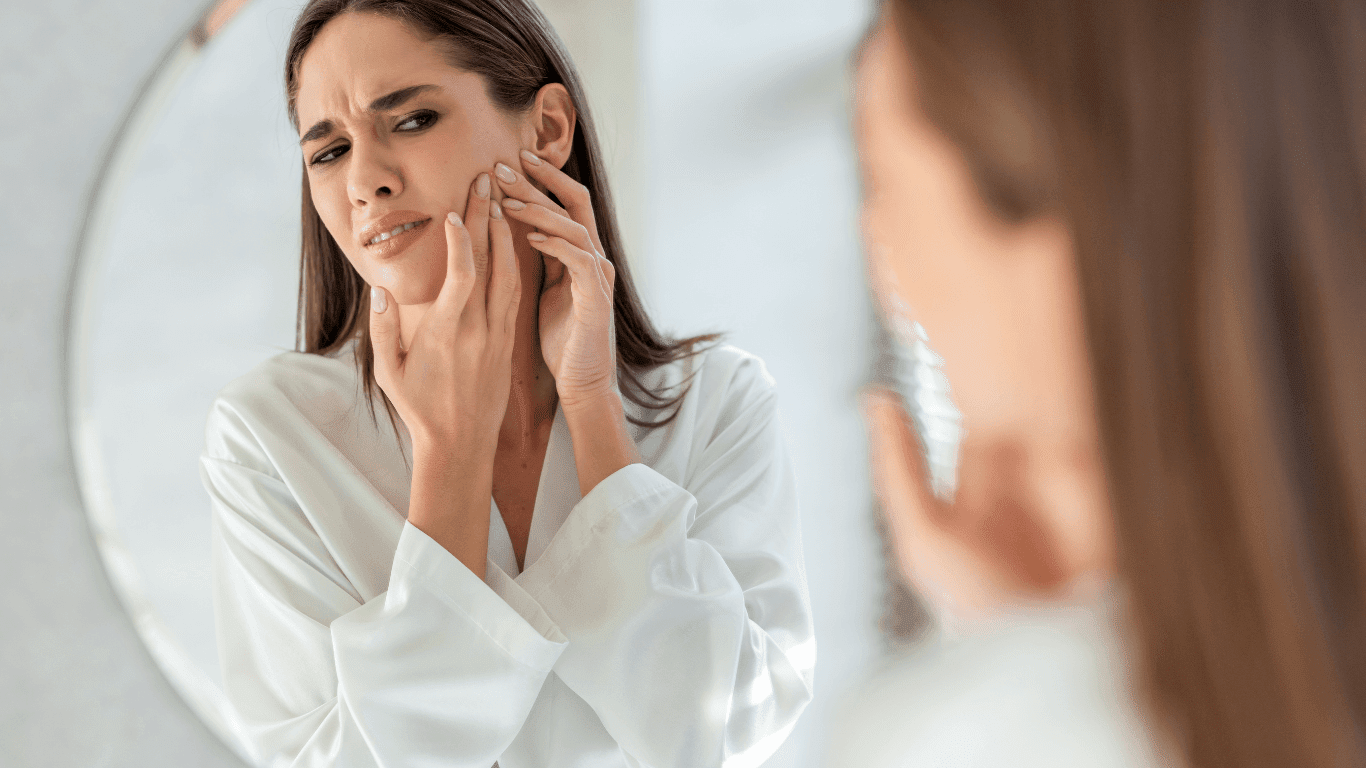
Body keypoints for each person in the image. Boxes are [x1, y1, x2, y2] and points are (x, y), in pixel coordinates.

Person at [197, 2, 814, 766]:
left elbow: (718, 734)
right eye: (328, 152)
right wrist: (448, 453)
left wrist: (593, 410)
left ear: (548, 129)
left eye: (413, 120)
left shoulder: (717, 403)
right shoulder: (272, 435)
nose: (366, 182)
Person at [851, 1, 1366, 767]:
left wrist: (1031, 660)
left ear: (1060, 232)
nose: (884, 263)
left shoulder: (978, 735)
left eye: (882, 185)